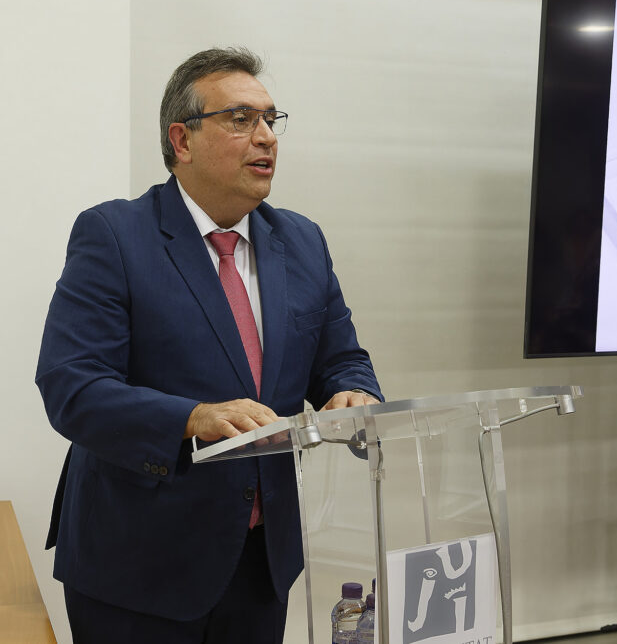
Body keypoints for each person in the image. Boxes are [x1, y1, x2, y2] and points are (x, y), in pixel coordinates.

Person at [35, 46, 382, 643]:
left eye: (272, 120)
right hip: (138, 563)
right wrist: (192, 417)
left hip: (260, 561)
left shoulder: (300, 240)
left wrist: (354, 391)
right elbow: (73, 385)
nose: (266, 137)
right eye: (241, 119)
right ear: (182, 139)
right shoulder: (115, 234)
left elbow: (341, 357)